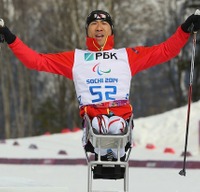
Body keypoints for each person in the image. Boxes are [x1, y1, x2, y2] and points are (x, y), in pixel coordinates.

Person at [0, 9, 200, 160]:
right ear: (87, 31)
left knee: (116, 126)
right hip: (93, 119)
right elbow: (37, 61)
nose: (99, 27)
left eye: (104, 24)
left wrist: (185, 28)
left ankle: (114, 145)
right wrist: (9, 37)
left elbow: (165, 51)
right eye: (93, 24)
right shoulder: (77, 58)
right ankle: (104, 144)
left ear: (111, 30)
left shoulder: (126, 57)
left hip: (120, 118)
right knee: (100, 125)